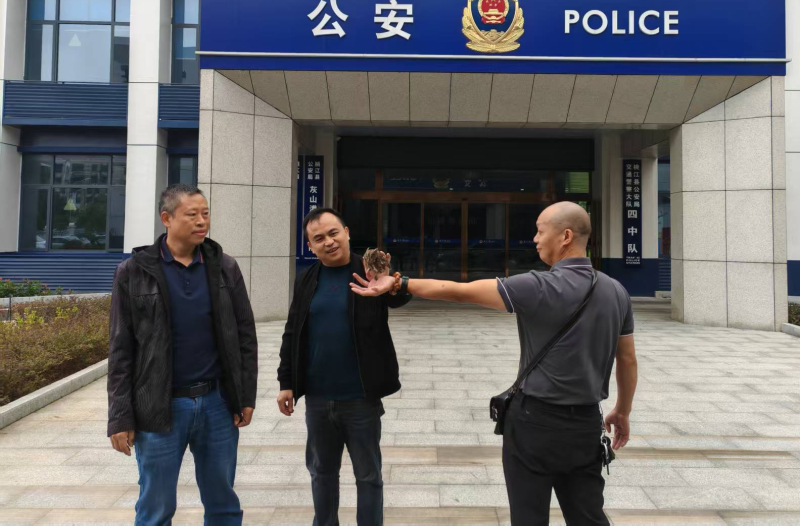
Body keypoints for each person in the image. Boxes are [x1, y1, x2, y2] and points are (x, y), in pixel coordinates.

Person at [350, 201, 638, 526]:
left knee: (528, 517)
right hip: (585, 425)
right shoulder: (616, 291)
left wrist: (398, 283)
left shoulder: (536, 286)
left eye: (540, 231)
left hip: (534, 422)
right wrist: (622, 410)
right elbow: (627, 359)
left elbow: (460, 291)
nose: (535, 239)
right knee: (588, 517)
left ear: (566, 236)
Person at [107, 183, 258, 526]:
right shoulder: (133, 272)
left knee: (223, 504)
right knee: (156, 509)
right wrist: (120, 416)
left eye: (205, 214)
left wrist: (245, 396)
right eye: (192, 215)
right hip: (159, 407)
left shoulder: (225, 267)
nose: (202, 221)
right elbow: (120, 349)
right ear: (167, 218)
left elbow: (245, 337)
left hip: (217, 404)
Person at [277, 207, 412, 526]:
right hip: (318, 399)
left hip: (361, 398)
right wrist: (286, 382)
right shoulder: (306, 279)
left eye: (333, 233)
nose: (328, 241)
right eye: (319, 238)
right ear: (310, 246)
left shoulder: (368, 272)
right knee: (321, 473)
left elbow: (397, 299)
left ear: (347, 232)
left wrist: (392, 282)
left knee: (368, 475)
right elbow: (293, 331)